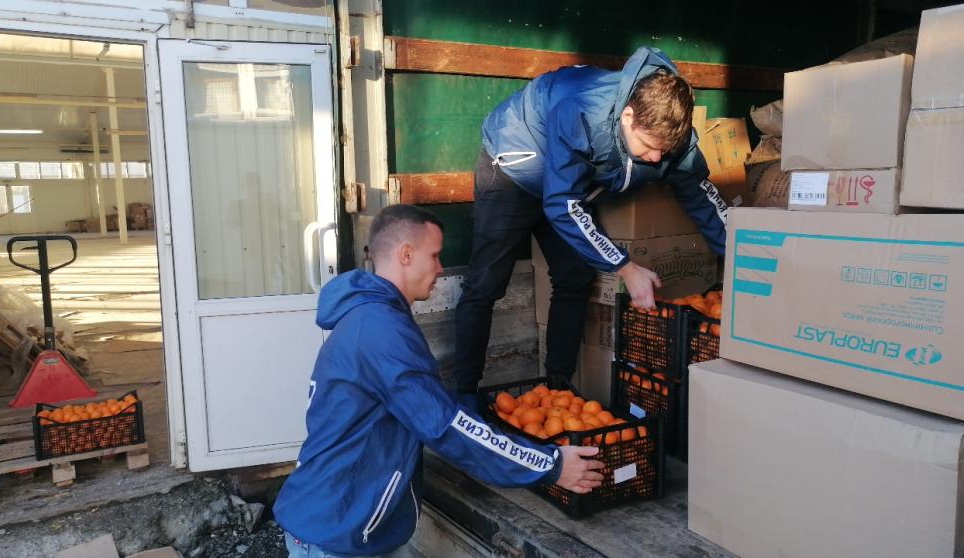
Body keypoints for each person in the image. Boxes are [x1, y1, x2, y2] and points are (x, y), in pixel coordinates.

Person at [274, 204, 605, 558]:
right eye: (434, 256)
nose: (440, 268)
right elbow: (446, 427)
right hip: (338, 535)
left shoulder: (371, 316)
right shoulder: (379, 331)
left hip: (348, 524)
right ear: (406, 254)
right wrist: (551, 464)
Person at [453, 46, 727, 403]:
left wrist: (738, 254)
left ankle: (558, 387)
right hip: (516, 165)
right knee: (486, 283)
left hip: (566, 183)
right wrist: (625, 266)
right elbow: (562, 206)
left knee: (575, 276)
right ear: (628, 116)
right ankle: (464, 395)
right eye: (648, 147)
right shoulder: (581, 110)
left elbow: (701, 195)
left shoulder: (671, 135)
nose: (657, 159)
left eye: (665, 151)